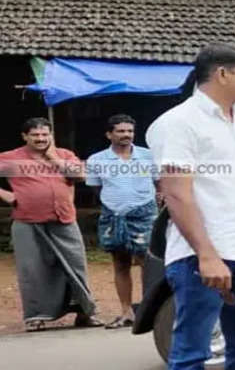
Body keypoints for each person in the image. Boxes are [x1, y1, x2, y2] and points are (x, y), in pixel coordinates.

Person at [146, 42, 235, 370]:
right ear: (223, 74)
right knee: (192, 352)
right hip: (203, 258)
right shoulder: (179, 122)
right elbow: (177, 194)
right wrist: (207, 255)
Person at [0, 117, 103, 331]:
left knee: (76, 267)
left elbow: (81, 175)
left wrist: (53, 158)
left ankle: (85, 313)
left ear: (51, 136)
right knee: (32, 270)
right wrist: (2, 194)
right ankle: (35, 316)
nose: (40, 139)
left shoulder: (64, 155)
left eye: (45, 135)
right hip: (28, 222)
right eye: (35, 135)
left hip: (64, 220)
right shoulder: (10, 158)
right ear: (25, 137)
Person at [85, 114, 160, 329]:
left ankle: (149, 310)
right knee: (120, 263)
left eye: (129, 131)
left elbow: (160, 183)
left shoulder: (148, 156)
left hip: (145, 214)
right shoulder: (96, 160)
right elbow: (96, 188)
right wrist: (114, 204)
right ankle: (126, 311)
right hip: (113, 214)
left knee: (149, 262)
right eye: (120, 131)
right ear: (109, 134)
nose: (126, 135)